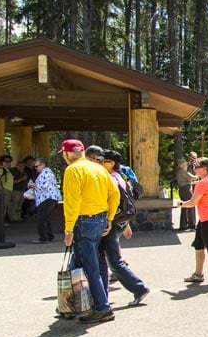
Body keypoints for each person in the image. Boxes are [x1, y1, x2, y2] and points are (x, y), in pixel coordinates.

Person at [60, 139, 120, 324]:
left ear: (66, 154)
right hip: (100, 219)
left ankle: (102, 308)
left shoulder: (72, 170)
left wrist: (68, 229)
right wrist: (109, 218)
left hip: (83, 221)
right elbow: (115, 194)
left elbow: (72, 202)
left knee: (88, 266)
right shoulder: (99, 168)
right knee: (79, 262)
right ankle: (69, 304)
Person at [97, 149, 150, 307]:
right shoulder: (120, 177)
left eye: (102, 160)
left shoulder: (111, 178)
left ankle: (139, 288)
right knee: (110, 258)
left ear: (111, 163)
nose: (99, 163)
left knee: (113, 261)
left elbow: (114, 202)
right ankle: (134, 289)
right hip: (119, 221)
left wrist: (109, 220)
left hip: (112, 222)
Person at [29, 158, 62, 244]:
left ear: (43, 165)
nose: (35, 168)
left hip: (47, 198)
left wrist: (33, 184)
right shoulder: (45, 172)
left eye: (36, 166)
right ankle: (49, 236)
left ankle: (43, 238)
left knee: (41, 218)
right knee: (46, 218)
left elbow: (43, 185)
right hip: (49, 198)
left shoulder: (46, 172)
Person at [175, 158, 197, 231]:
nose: (186, 166)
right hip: (186, 190)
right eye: (185, 164)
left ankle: (183, 225)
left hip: (183, 190)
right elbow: (191, 178)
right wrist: (199, 175)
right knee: (191, 205)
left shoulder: (180, 172)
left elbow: (188, 181)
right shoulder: (182, 171)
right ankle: (192, 225)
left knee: (184, 206)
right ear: (182, 165)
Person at [0, 155, 14, 227]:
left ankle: (1, 222)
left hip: (7, 190)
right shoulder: (1, 170)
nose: (8, 163)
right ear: (2, 162)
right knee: (0, 207)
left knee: (4, 207)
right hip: (3, 190)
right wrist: (2, 190)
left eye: (9, 161)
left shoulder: (7, 170)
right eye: (6, 161)